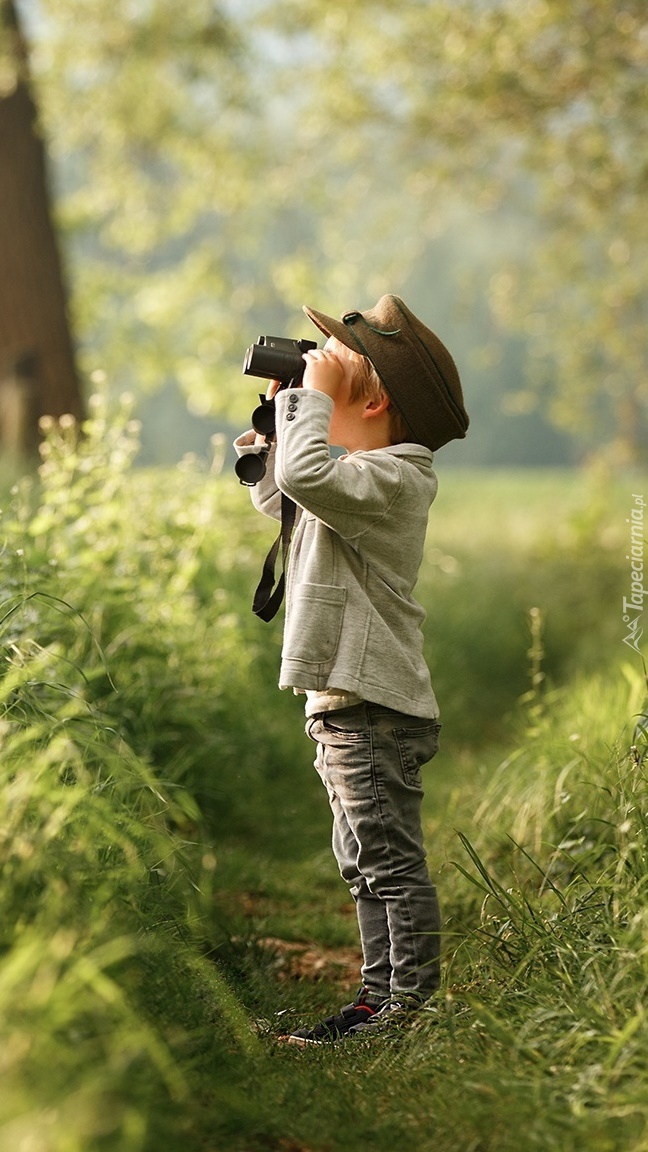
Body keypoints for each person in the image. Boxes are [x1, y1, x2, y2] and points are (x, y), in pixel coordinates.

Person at [235, 294, 469, 1044]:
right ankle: (378, 1000)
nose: (313, 372)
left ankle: (410, 1005)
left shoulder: (399, 478)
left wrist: (312, 403)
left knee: (389, 861)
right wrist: (278, 421)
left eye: (334, 367)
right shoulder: (354, 477)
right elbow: (283, 494)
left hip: (372, 705)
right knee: (361, 860)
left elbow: (306, 477)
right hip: (345, 701)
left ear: (372, 401)